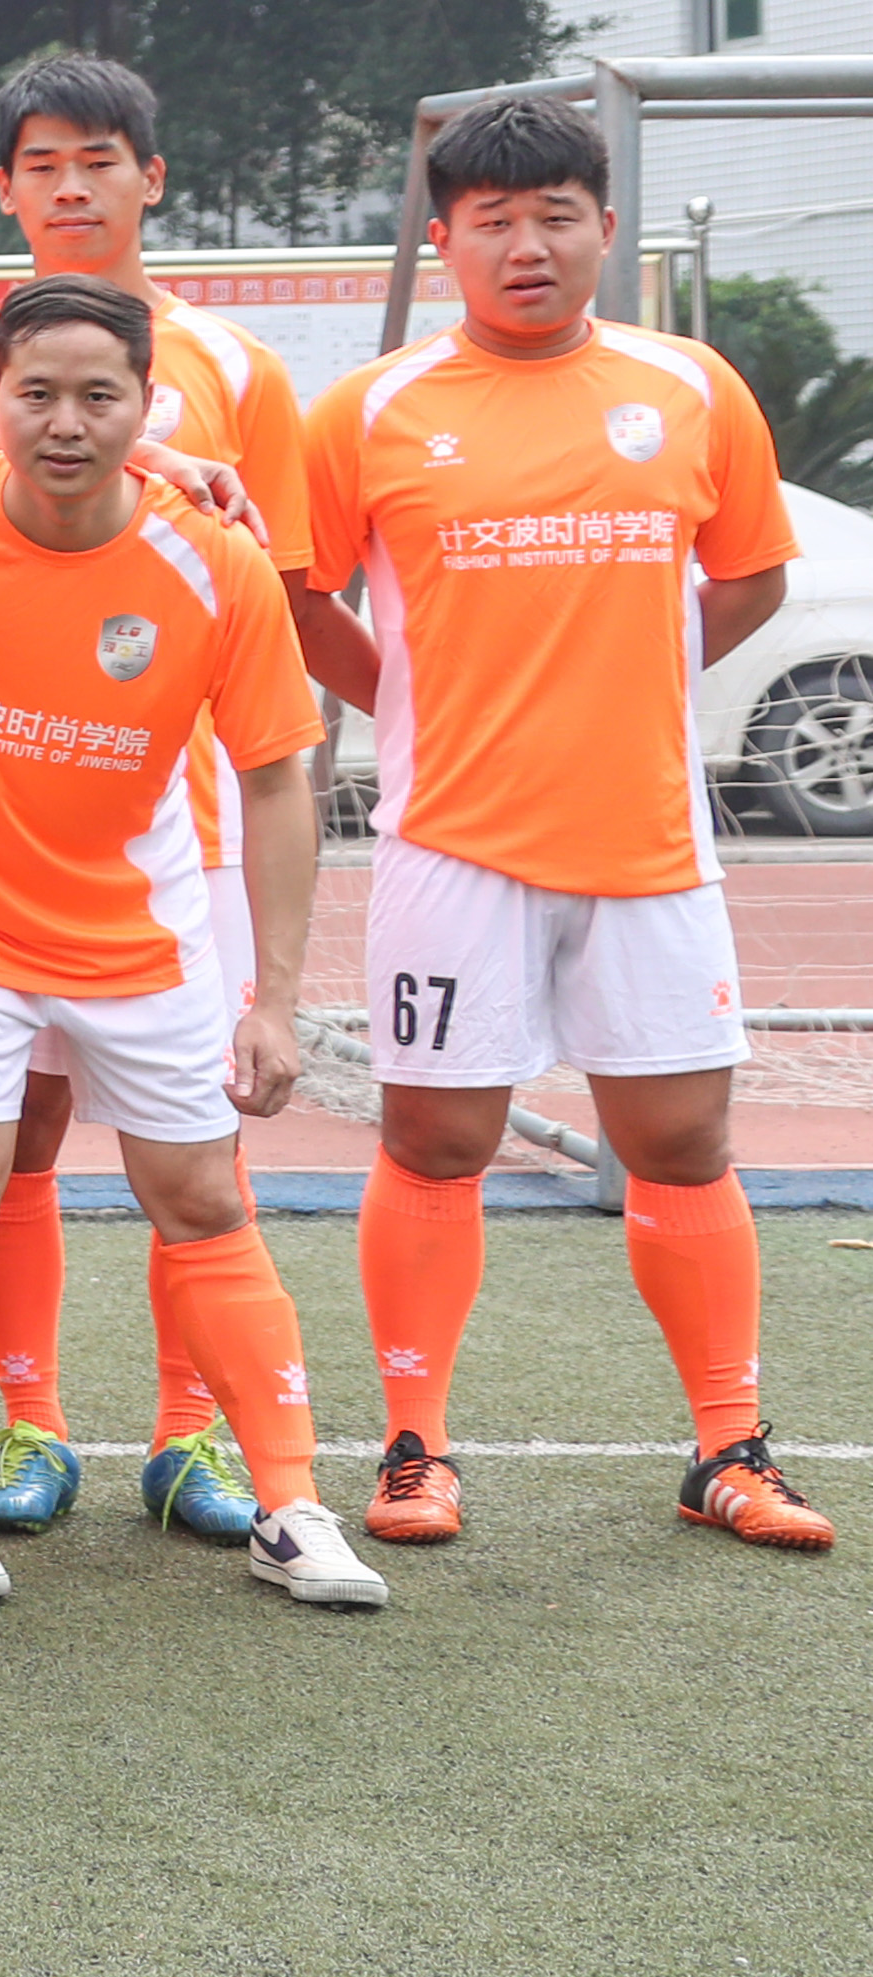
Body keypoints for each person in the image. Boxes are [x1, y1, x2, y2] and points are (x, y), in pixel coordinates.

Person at [295, 91, 830, 1554]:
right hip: (450, 843)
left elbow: (753, 576)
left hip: (648, 838)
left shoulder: (692, 386)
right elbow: (298, 592)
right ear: (445, 241)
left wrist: (632, 678)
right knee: (437, 1135)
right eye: (493, 222)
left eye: (555, 217)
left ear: (606, 227)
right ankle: (414, 1448)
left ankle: (728, 1449)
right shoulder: (371, 410)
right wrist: (415, 701)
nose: (526, 247)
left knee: (681, 1137)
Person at [0, 276, 384, 1608]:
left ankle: (292, 1507)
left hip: (145, 939)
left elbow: (276, 779)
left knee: (203, 1200)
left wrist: (274, 998)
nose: (65, 424)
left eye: (99, 397)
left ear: (149, 406)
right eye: (36, 395)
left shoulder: (214, 563)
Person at [0, 51, 319, 1543]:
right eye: (42, 163)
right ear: (4, 190)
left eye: (99, 159)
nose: (71, 186)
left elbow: (270, 603)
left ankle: (192, 1435)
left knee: (193, 1159)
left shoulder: (242, 368)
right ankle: (27, 1424)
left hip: (175, 840)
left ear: (153, 175)